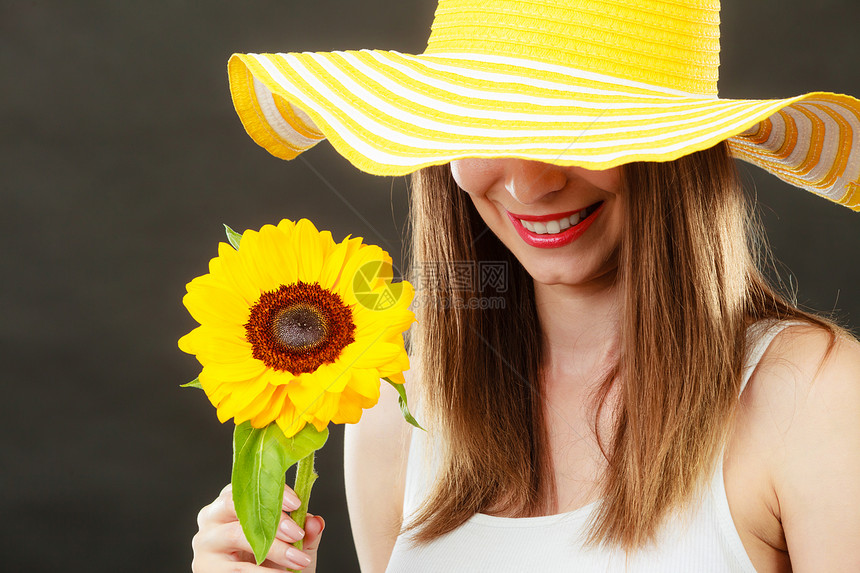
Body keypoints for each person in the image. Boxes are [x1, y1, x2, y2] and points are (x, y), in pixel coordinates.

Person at [192, 0, 860, 571]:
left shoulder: (818, 401)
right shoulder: (398, 396)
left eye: (578, 126)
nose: (527, 182)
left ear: (678, 155)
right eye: (481, 125)